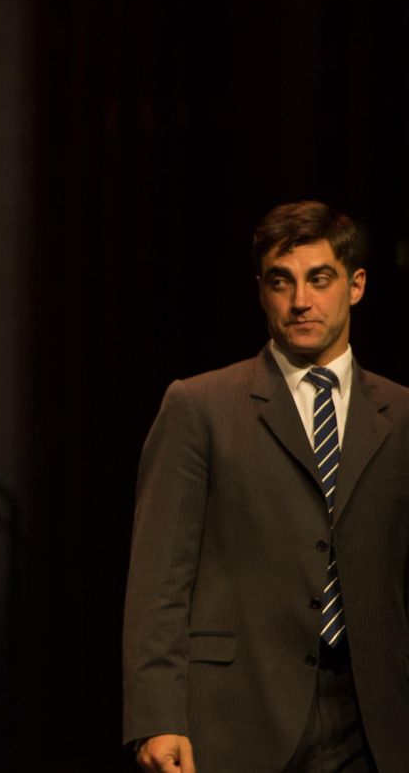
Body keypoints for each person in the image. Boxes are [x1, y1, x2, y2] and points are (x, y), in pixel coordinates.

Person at [122, 201, 409, 773]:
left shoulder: (400, 414)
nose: (300, 300)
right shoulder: (200, 406)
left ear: (355, 285)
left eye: (318, 279)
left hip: (374, 716)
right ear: (261, 291)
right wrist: (157, 715)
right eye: (282, 282)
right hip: (239, 711)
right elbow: (159, 578)